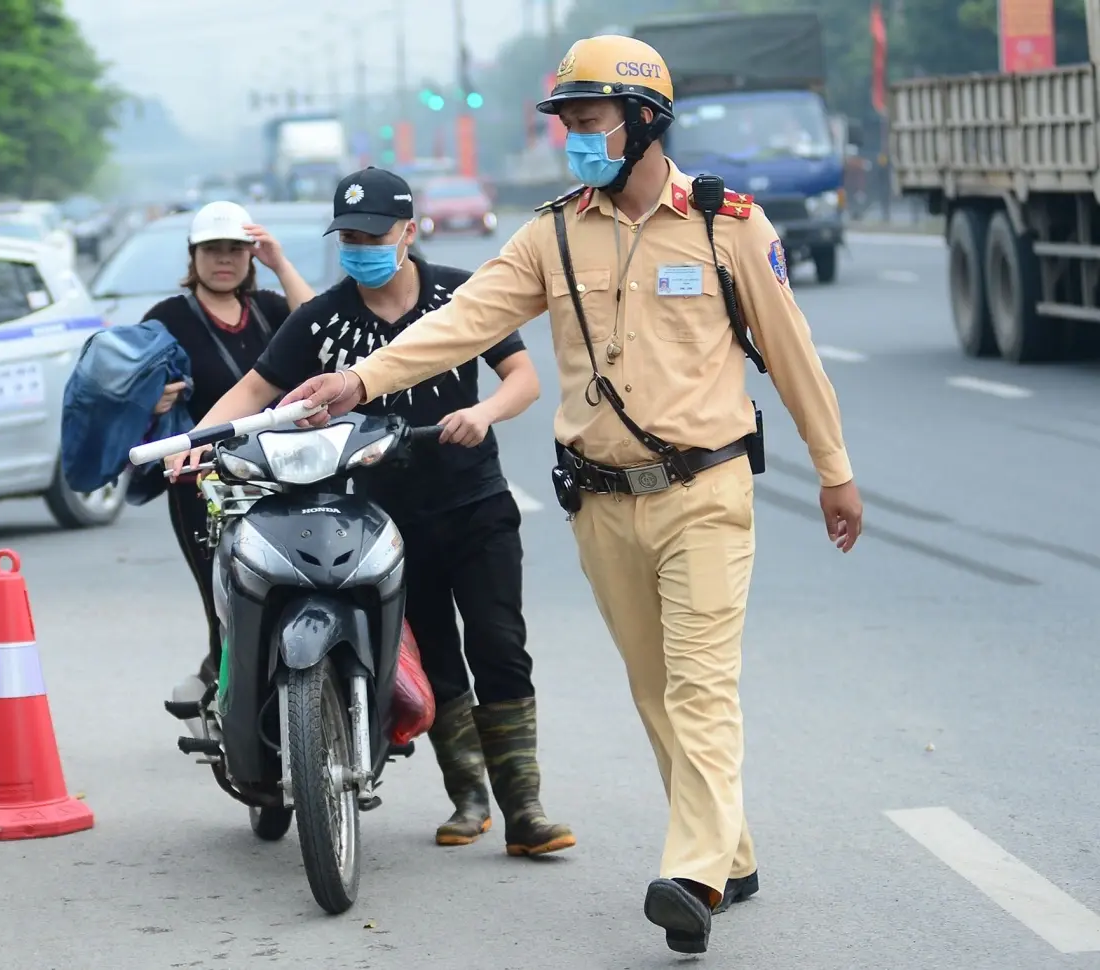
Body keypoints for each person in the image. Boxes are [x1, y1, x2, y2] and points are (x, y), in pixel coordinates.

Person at [274, 35, 864, 955]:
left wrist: (834, 469)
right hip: (600, 503)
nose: (577, 141)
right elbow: (464, 323)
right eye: (570, 126)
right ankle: (732, 851)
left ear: (645, 120)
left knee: (701, 685)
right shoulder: (551, 232)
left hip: (705, 491)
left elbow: (790, 352)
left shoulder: (726, 224)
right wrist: (361, 383)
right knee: (654, 687)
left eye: (590, 122)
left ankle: (692, 874)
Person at [168, 167, 576, 858]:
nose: (361, 247)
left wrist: (482, 412)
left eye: (373, 234)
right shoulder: (322, 318)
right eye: (349, 236)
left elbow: (524, 378)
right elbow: (253, 391)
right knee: (437, 659)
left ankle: (525, 808)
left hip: (474, 501)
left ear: (408, 232)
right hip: (379, 521)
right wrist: (193, 445)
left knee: (500, 647)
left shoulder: (459, 295)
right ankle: (467, 796)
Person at [146, 200, 317, 718]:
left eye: (235, 250)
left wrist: (281, 263)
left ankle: (297, 692)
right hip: (202, 480)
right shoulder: (167, 318)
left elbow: (318, 330)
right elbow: (127, 389)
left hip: (282, 470)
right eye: (212, 250)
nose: (224, 260)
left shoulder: (268, 307)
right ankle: (231, 707)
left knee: (294, 584)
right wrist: (151, 402)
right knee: (225, 598)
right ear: (193, 257)